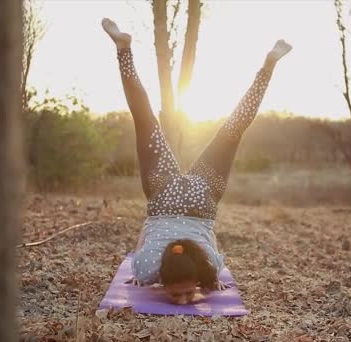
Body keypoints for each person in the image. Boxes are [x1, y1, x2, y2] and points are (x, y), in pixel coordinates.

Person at [102, 18, 292, 305]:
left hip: (184, 198)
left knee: (226, 130)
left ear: (161, 277)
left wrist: (209, 275)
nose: (182, 301)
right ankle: (123, 49)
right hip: (177, 198)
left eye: (183, 292)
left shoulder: (163, 269)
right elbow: (146, 230)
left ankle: (268, 66)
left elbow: (208, 238)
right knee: (152, 121)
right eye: (187, 293)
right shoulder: (148, 267)